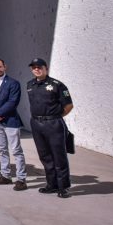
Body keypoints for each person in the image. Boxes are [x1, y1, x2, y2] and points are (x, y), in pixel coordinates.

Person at [27, 58, 74, 198]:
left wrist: (56, 117)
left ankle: (63, 187)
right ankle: (51, 185)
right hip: (36, 124)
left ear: (45, 68)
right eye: (34, 67)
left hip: (53, 124)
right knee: (45, 156)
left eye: (39, 67)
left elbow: (68, 106)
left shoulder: (57, 85)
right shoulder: (30, 84)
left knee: (58, 156)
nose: (36, 69)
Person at [0, 58, 27, 191]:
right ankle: (6, 176)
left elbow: (13, 101)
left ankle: (21, 179)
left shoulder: (13, 83)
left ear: (5, 67)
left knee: (16, 151)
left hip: (10, 121)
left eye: (0, 67)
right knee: (2, 150)